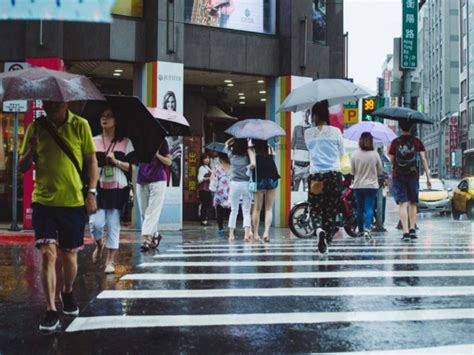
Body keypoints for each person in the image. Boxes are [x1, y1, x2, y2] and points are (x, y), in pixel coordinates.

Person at [19, 101, 98, 331]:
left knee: (69, 257)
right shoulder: (35, 127)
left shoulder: (81, 125)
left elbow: (91, 161)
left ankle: (67, 292)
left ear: (65, 102)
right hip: (43, 201)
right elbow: (22, 166)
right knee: (47, 253)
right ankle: (51, 308)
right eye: (46, 102)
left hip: (73, 202)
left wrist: (91, 192)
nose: (49, 106)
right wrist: (31, 150)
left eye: (54, 102)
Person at [89, 107, 137, 274]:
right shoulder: (93, 140)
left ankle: (110, 261)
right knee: (95, 224)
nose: (105, 119)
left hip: (118, 188)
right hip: (99, 187)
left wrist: (116, 162)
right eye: (102, 116)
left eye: (109, 116)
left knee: (113, 225)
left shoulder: (125, 142)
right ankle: (99, 244)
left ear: (116, 121)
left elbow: (132, 167)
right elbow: (87, 165)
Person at [304, 100, 345, 254]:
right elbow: (341, 153)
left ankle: (319, 230)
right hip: (334, 175)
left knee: (315, 208)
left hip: (316, 176)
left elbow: (310, 150)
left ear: (314, 115)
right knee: (331, 210)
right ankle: (327, 237)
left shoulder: (308, 133)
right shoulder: (336, 132)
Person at [388, 119, 431, 241]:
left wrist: (397, 165)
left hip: (399, 175)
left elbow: (391, 160)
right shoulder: (417, 142)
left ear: (400, 128)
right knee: (413, 202)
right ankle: (412, 229)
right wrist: (428, 177)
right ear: (412, 127)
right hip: (413, 174)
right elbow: (423, 159)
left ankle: (405, 232)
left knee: (403, 203)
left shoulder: (395, 142)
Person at [137, 140, 172, 251]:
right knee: (144, 212)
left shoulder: (161, 141)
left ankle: (146, 239)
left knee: (152, 211)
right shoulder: (139, 141)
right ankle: (155, 234)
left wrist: (157, 155)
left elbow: (169, 162)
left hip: (158, 179)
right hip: (142, 179)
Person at [350, 132, 383, 240]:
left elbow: (352, 171)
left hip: (358, 185)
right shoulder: (375, 154)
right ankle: (367, 229)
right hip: (371, 186)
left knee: (360, 209)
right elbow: (380, 171)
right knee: (369, 208)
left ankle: (360, 230)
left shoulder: (354, 154)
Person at [225, 137, 256, 241]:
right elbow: (253, 164)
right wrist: (248, 148)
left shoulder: (231, 155)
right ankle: (246, 235)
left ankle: (231, 235)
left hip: (234, 184)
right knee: (246, 211)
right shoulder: (247, 155)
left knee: (234, 210)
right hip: (246, 184)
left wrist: (233, 138)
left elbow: (226, 144)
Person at [251, 139, 280, 242]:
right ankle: (266, 233)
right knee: (269, 208)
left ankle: (255, 234)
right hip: (272, 176)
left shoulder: (252, 150)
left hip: (258, 177)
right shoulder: (270, 148)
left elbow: (252, 164)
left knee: (257, 209)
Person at [211, 152, 231, 237]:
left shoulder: (217, 167)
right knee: (232, 212)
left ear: (220, 158)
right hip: (230, 192)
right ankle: (231, 229)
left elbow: (212, 178)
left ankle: (221, 229)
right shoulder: (232, 167)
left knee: (219, 212)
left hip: (220, 192)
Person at [291, 109, 311, 192]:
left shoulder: (311, 128)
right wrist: (290, 164)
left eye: (306, 113)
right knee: (295, 189)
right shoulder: (296, 128)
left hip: (307, 164)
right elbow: (292, 144)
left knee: (306, 190)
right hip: (297, 164)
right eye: (303, 113)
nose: (304, 115)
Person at [197, 153, 213, 226]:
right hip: (203, 189)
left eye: (208, 158)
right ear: (202, 160)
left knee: (207, 205)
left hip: (208, 189)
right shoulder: (202, 168)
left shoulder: (208, 167)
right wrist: (208, 178)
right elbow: (199, 179)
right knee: (204, 205)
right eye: (205, 158)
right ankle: (203, 220)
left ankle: (205, 219)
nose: (207, 160)